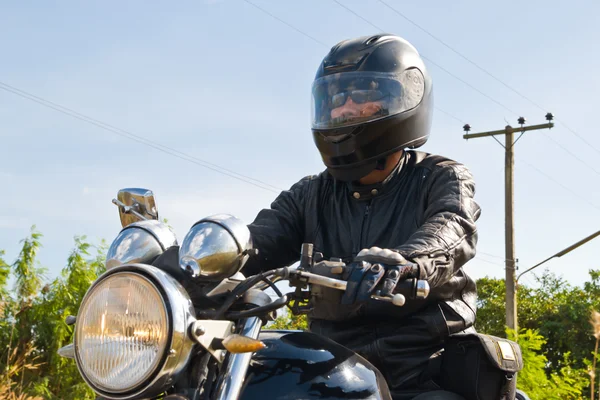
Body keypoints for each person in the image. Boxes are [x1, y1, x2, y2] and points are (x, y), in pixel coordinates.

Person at [242, 33, 480, 400]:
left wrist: (408, 261)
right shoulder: (310, 194)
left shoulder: (441, 176)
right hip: (331, 371)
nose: (344, 109)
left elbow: (451, 228)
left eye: (364, 95)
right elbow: (255, 241)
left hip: (421, 369)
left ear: (404, 101)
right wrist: (195, 261)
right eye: (336, 99)